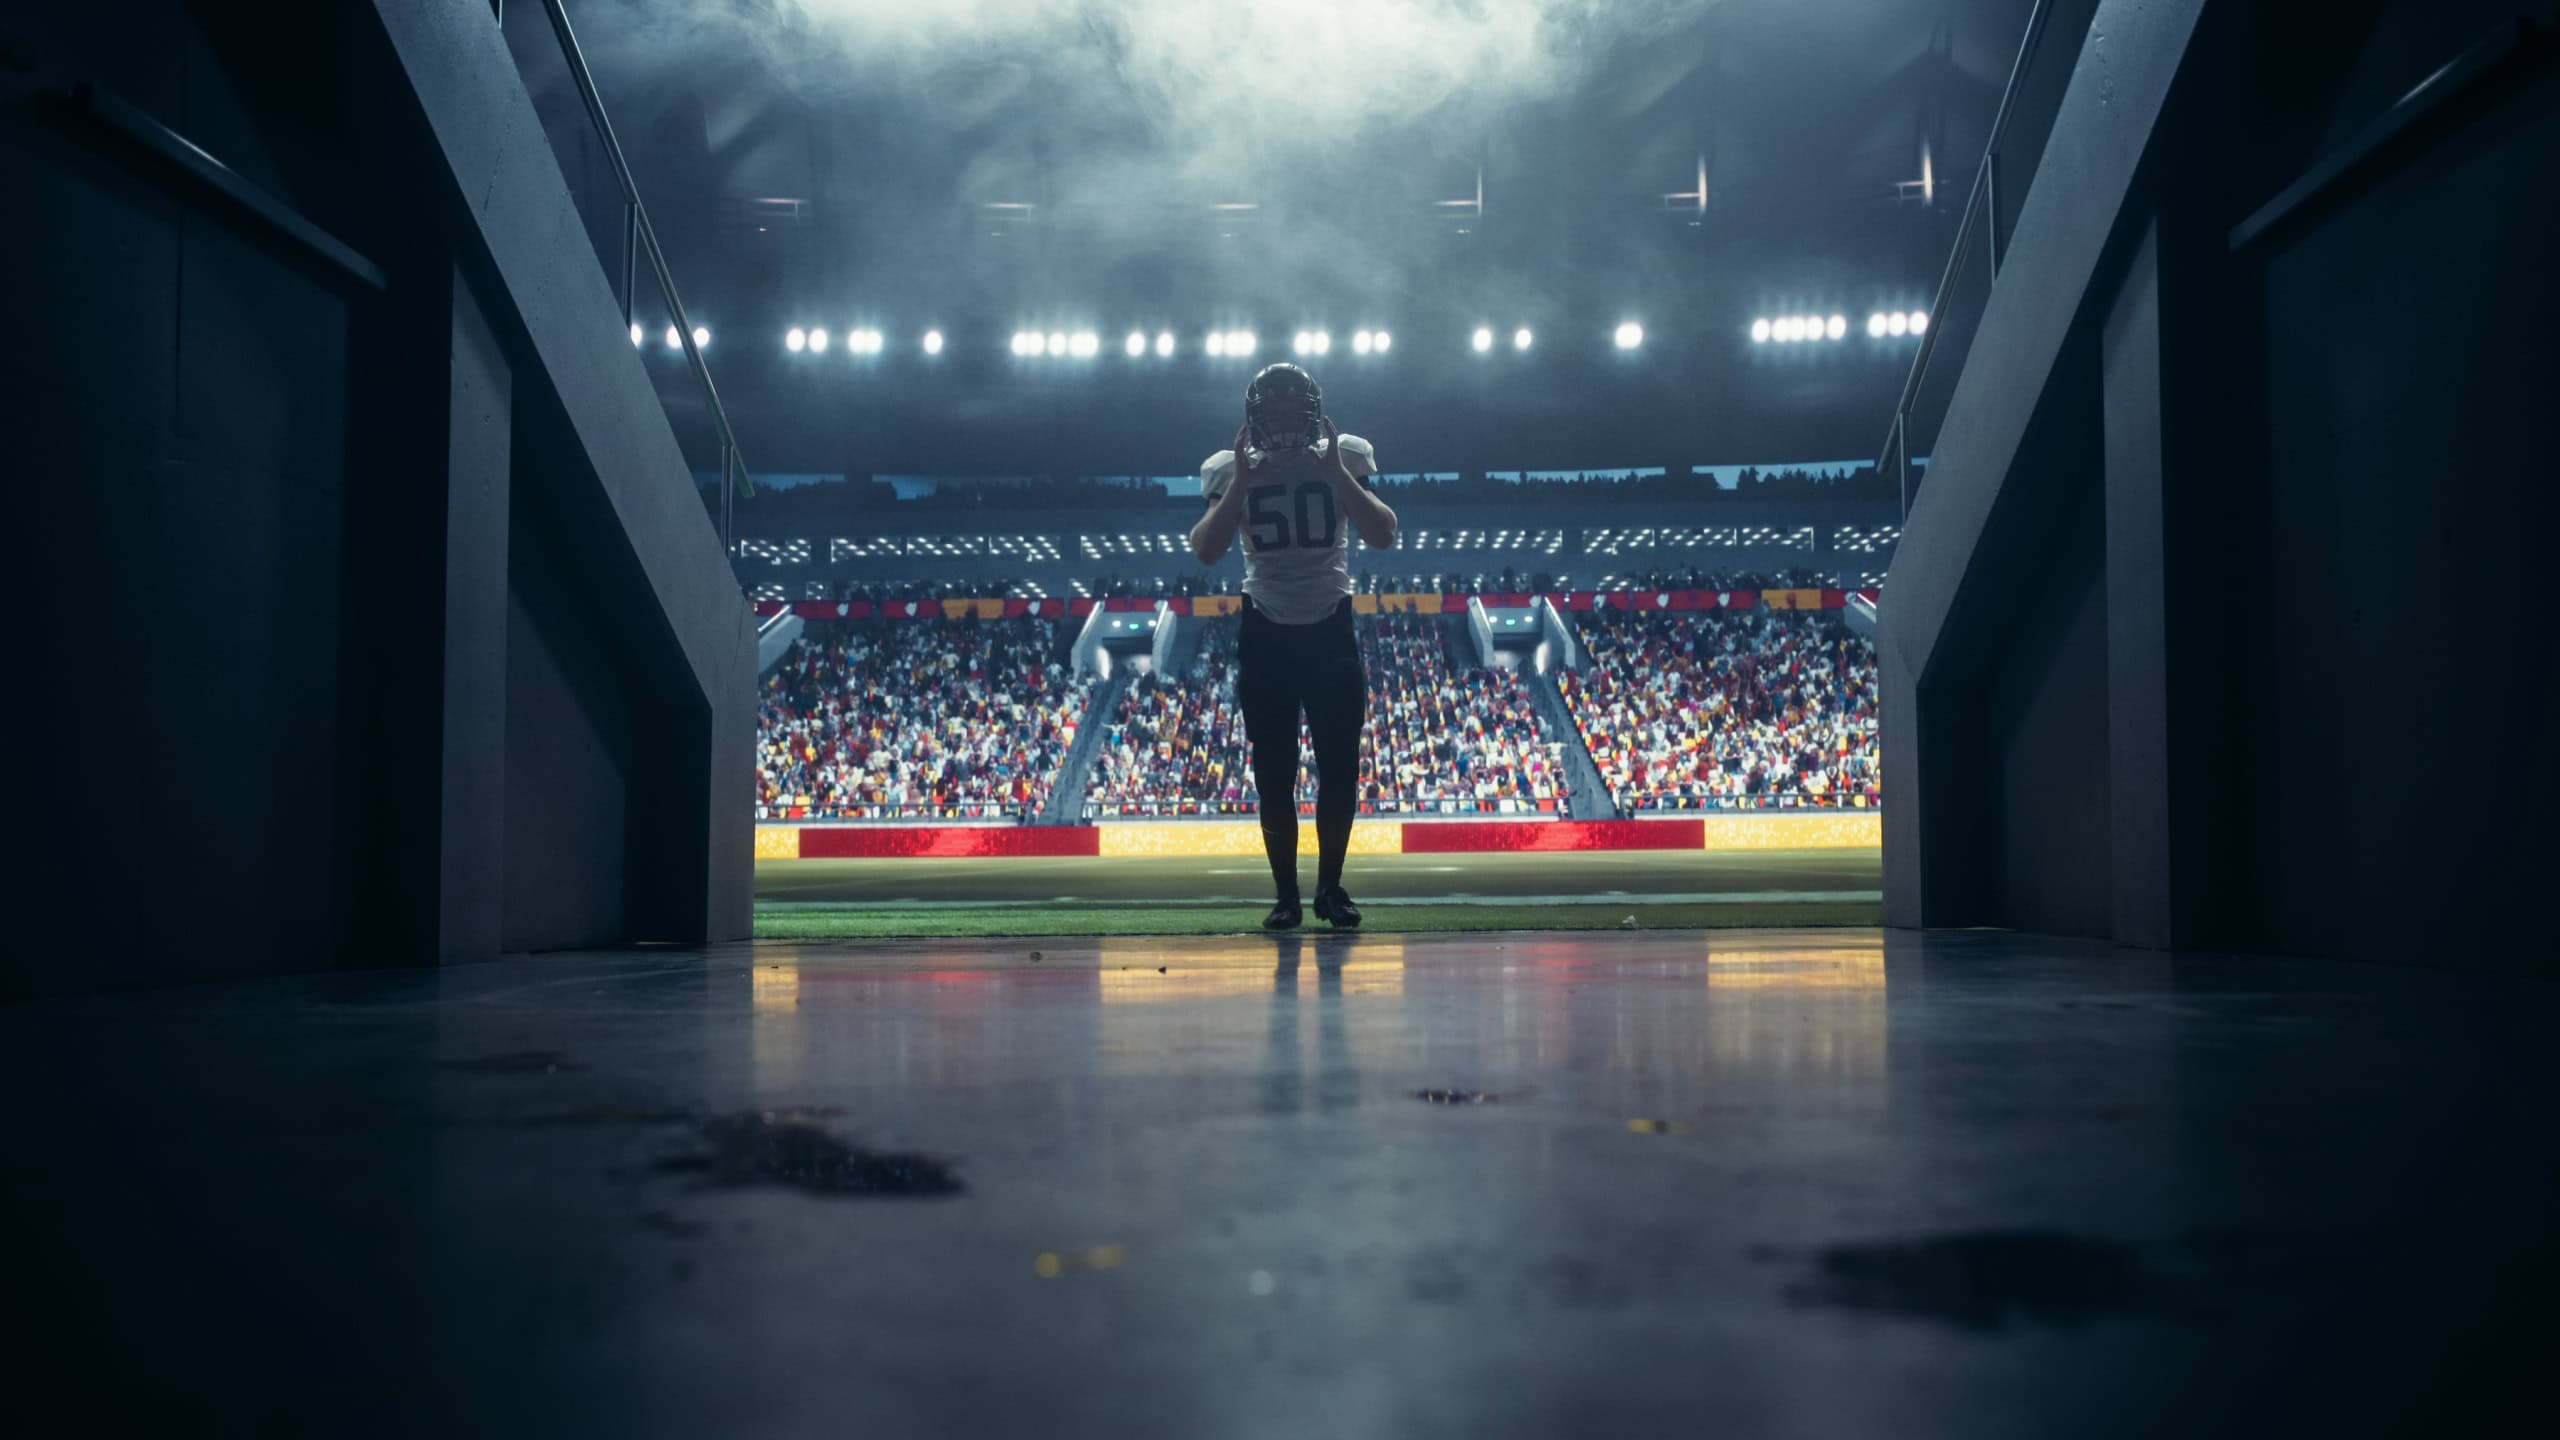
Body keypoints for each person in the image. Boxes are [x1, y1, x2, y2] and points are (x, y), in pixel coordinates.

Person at [1189, 362, 1398, 929]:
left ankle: (1331, 888)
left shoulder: (1345, 455)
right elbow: (1206, 549)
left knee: (1339, 769)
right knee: (1273, 773)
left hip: (1330, 622)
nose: (1282, 422)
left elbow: (1383, 533)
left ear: (1310, 415)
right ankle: (1286, 895)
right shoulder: (1229, 468)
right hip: (1266, 626)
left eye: (1290, 410)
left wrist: (1335, 474)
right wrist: (1240, 482)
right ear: (1256, 418)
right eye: (1273, 411)